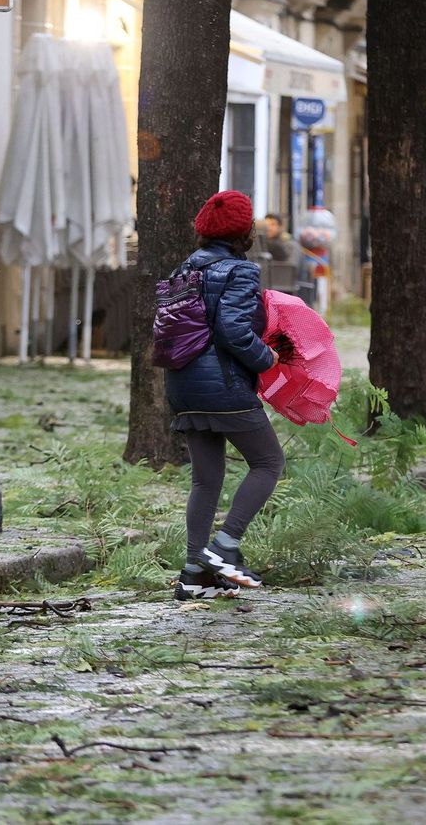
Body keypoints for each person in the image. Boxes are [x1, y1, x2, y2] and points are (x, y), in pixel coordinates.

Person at [165, 190, 284, 600]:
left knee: (206, 479)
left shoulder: (185, 268)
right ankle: (225, 546)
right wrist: (266, 357)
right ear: (243, 231)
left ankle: (194, 574)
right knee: (268, 462)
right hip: (224, 386)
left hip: (183, 386)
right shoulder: (240, 271)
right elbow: (233, 330)